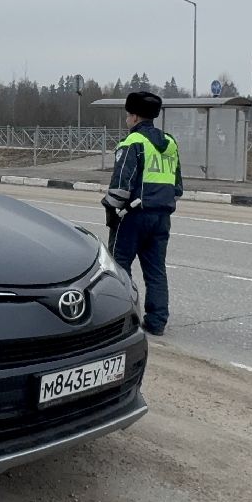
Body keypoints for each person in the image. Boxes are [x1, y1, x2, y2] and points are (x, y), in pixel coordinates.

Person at [103, 90, 181, 336]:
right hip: (162, 217)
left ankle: (121, 319)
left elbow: (120, 188)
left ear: (135, 117)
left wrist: (110, 208)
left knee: (119, 268)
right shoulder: (170, 143)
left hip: (133, 216)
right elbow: (177, 188)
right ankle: (157, 321)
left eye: (128, 115)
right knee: (156, 270)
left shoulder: (131, 143)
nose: (127, 119)